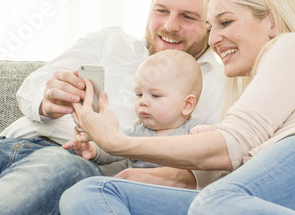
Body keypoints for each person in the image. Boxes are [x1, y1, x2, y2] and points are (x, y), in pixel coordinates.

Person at [59, 0, 295, 214]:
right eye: (210, 27)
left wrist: (117, 141)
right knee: (91, 193)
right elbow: (230, 174)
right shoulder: (246, 90)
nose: (214, 38)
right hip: (259, 198)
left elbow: (230, 148)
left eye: (226, 22)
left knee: (215, 204)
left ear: (271, 21)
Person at [0, 0, 226, 214]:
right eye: (161, 10)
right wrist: (47, 98)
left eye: (188, 17)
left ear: (211, 23)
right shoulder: (109, 42)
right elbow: (34, 83)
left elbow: (214, 163)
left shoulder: (218, 82)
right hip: (3, 145)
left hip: (72, 163)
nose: (170, 25)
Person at [63, 49, 205, 169]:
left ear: (187, 105)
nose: (143, 101)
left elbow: (212, 148)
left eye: (155, 95)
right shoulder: (137, 131)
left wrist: (205, 133)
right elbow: (112, 148)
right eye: (139, 94)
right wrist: (93, 149)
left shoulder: (193, 131)